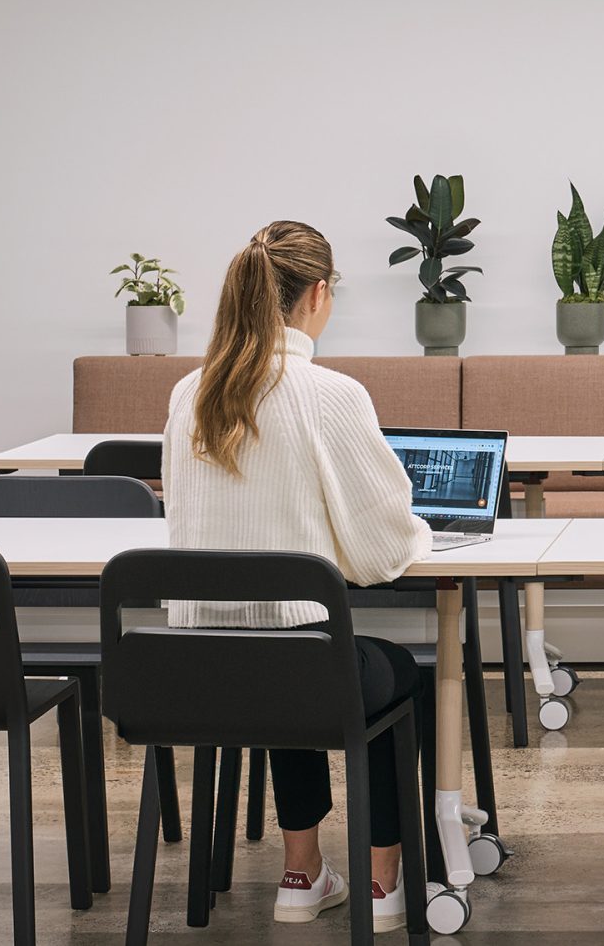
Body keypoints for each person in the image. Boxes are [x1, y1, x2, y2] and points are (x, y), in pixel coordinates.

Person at [162, 220, 431, 930]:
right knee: (380, 668)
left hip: (194, 675)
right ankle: (381, 885)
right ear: (318, 293)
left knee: (279, 646)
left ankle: (301, 871)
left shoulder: (187, 394)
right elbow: (381, 551)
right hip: (301, 669)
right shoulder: (330, 394)